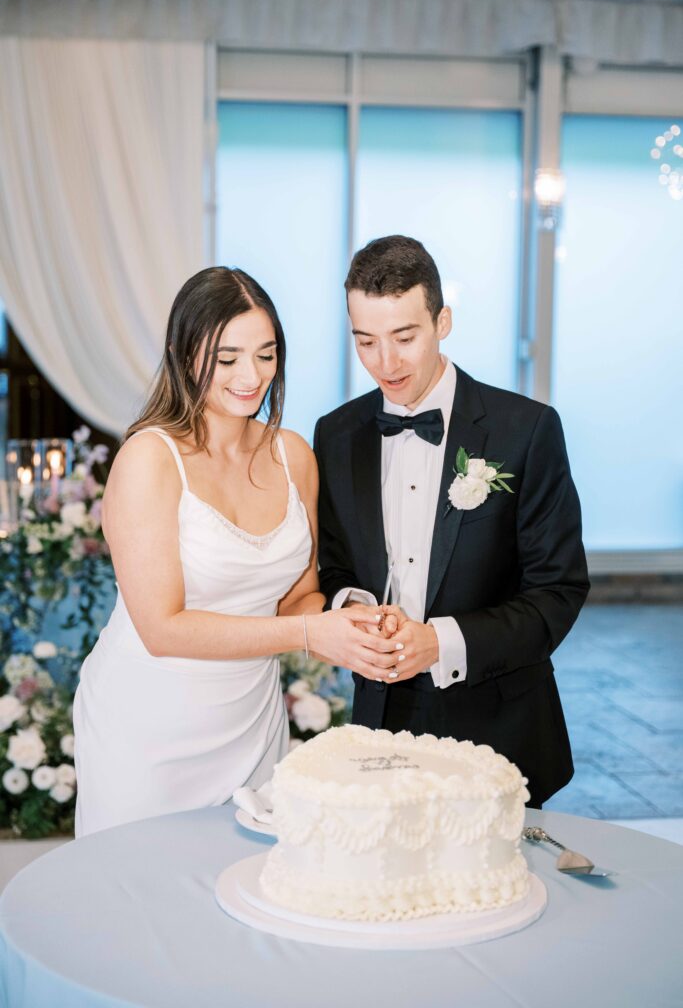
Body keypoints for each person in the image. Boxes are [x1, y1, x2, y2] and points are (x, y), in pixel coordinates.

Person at [73, 266, 400, 837]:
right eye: (226, 359)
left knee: (247, 889)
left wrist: (344, 621)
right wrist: (306, 635)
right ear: (182, 353)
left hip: (251, 721)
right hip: (146, 725)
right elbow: (162, 627)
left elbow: (297, 597)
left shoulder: (292, 455)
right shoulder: (149, 459)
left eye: (266, 355)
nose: (251, 377)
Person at [314, 236, 590, 807]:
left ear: (443, 321)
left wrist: (439, 643)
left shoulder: (526, 430)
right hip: (379, 717)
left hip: (498, 722)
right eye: (365, 341)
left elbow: (558, 591)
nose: (385, 364)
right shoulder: (335, 434)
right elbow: (335, 563)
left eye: (404, 338)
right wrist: (354, 610)